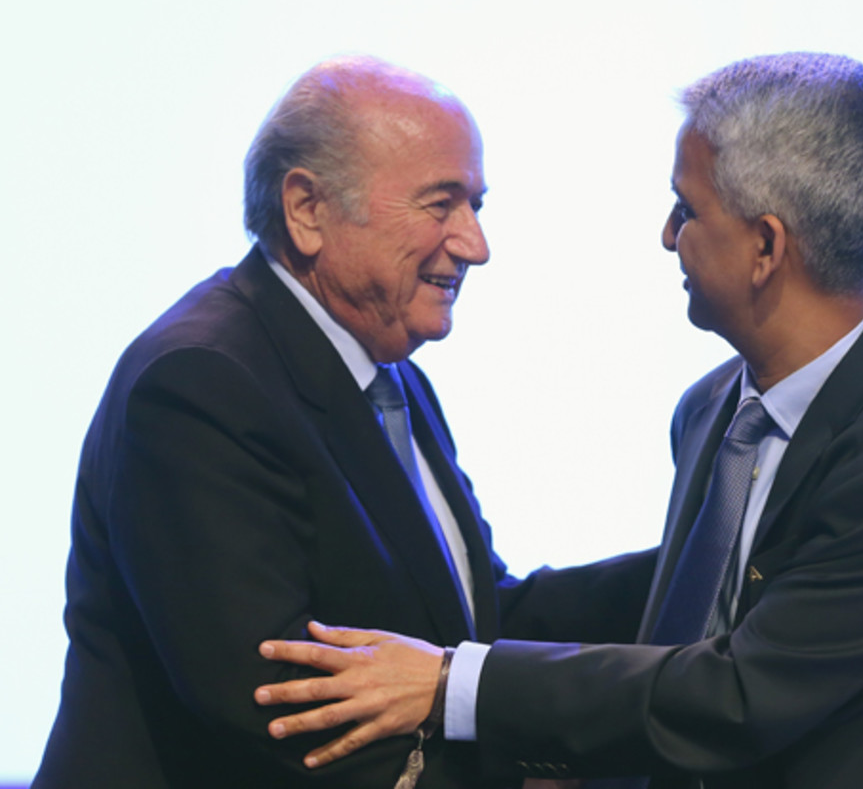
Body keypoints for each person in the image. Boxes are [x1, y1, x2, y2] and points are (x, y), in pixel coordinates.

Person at [254, 52, 863, 788]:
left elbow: (737, 697)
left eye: (686, 210)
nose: (666, 235)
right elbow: (689, 611)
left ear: (765, 245)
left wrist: (456, 686)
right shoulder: (715, 409)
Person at [34, 55, 651, 789]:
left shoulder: (388, 375)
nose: (475, 244)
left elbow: (472, 620)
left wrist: (707, 561)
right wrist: (525, 778)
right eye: (440, 203)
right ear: (307, 209)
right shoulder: (200, 383)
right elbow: (279, 711)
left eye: (476, 205)